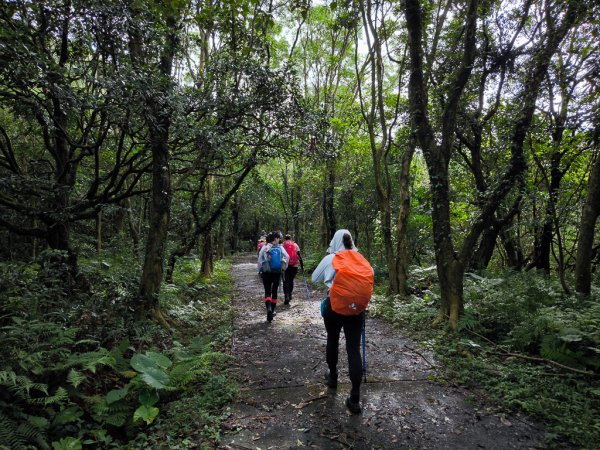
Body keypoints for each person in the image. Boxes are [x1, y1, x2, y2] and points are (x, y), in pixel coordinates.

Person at [312, 229, 373, 414]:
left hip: (334, 306)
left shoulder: (331, 258)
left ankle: (333, 377)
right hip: (356, 310)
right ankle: (354, 398)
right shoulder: (360, 259)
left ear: (334, 240)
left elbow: (314, 278)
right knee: (353, 349)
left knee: (332, 339)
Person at [258, 231, 289, 322]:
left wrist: (260, 271)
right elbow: (287, 257)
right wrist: (284, 267)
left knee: (267, 291)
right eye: (278, 238)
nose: (279, 239)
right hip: (276, 272)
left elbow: (260, 261)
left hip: (266, 272)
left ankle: (269, 309)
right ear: (275, 239)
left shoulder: (264, 247)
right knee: (274, 291)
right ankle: (273, 310)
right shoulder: (280, 247)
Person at [282, 234, 303, 305]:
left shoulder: (283, 245)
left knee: (285, 281)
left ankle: (286, 296)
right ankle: (290, 294)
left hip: (285, 265)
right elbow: (299, 256)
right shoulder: (295, 245)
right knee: (291, 280)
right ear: (291, 238)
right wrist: (302, 266)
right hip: (294, 265)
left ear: (285, 239)